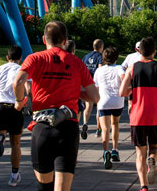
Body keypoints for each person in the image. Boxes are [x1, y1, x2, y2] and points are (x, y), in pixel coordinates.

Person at [13, 21, 99, 191]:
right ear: (66, 40)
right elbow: (95, 97)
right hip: (68, 128)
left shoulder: (35, 58)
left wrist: (19, 101)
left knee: (44, 187)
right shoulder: (76, 62)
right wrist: (76, 93)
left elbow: (18, 82)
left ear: (44, 39)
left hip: (42, 127)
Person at [119, 37, 157, 191]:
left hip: (137, 116)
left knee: (139, 153)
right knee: (155, 148)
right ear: (154, 52)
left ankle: (143, 186)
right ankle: (153, 159)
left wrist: (134, 90)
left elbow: (122, 92)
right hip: (155, 116)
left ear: (139, 51)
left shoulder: (132, 68)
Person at [0, 45, 30, 187]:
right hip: (15, 106)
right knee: (16, 143)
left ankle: (0, 140)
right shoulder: (22, 70)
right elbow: (28, 89)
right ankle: (14, 175)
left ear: (7, 57)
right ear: (21, 58)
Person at [93, 47, 125, 169]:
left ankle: (106, 151)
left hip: (103, 101)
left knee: (105, 128)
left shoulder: (99, 70)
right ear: (116, 57)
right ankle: (115, 149)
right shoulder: (119, 68)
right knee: (115, 124)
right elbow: (124, 78)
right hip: (117, 101)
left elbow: (95, 86)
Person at [82, 39, 104, 139]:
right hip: (96, 84)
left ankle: (85, 123)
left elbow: (82, 69)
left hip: (86, 84)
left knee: (88, 106)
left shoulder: (86, 57)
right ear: (101, 47)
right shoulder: (100, 57)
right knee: (99, 107)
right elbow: (100, 68)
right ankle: (98, 129)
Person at [63, 40, 86, 122]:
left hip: (61, 95)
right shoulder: (78, 62)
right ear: (73, 50)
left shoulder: (59, 60)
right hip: (74, 95)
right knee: (77, 113)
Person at [121, 41, 142, 114]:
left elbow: (122, 67)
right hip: (141, 82)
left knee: (131, 102)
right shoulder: (146, 57)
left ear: (135, 49)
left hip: (132, 81)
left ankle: (132, 119)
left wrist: (126, 75)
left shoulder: (130, 56)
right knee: (139, 101)